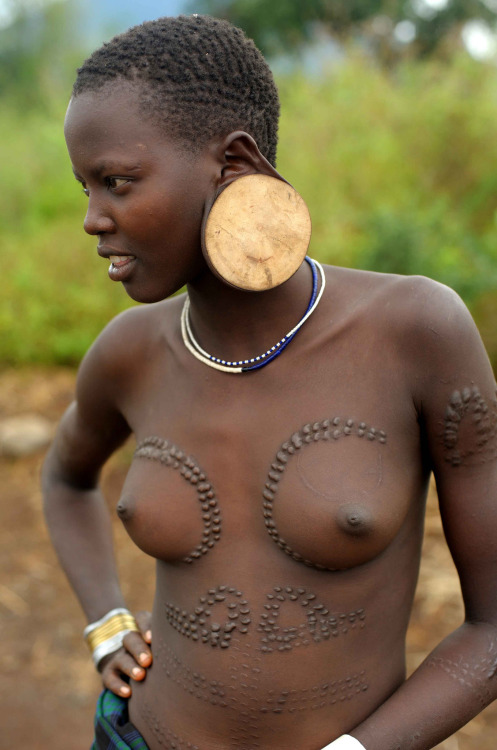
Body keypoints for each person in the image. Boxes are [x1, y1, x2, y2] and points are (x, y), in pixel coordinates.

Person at [42, 13, 497, 750]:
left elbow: (492, 628)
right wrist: (107, 624)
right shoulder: (130, 352)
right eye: (85, 187)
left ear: (234, 162)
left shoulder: (414, 331)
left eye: (117, 182)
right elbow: (64, 480)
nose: (93, 218)